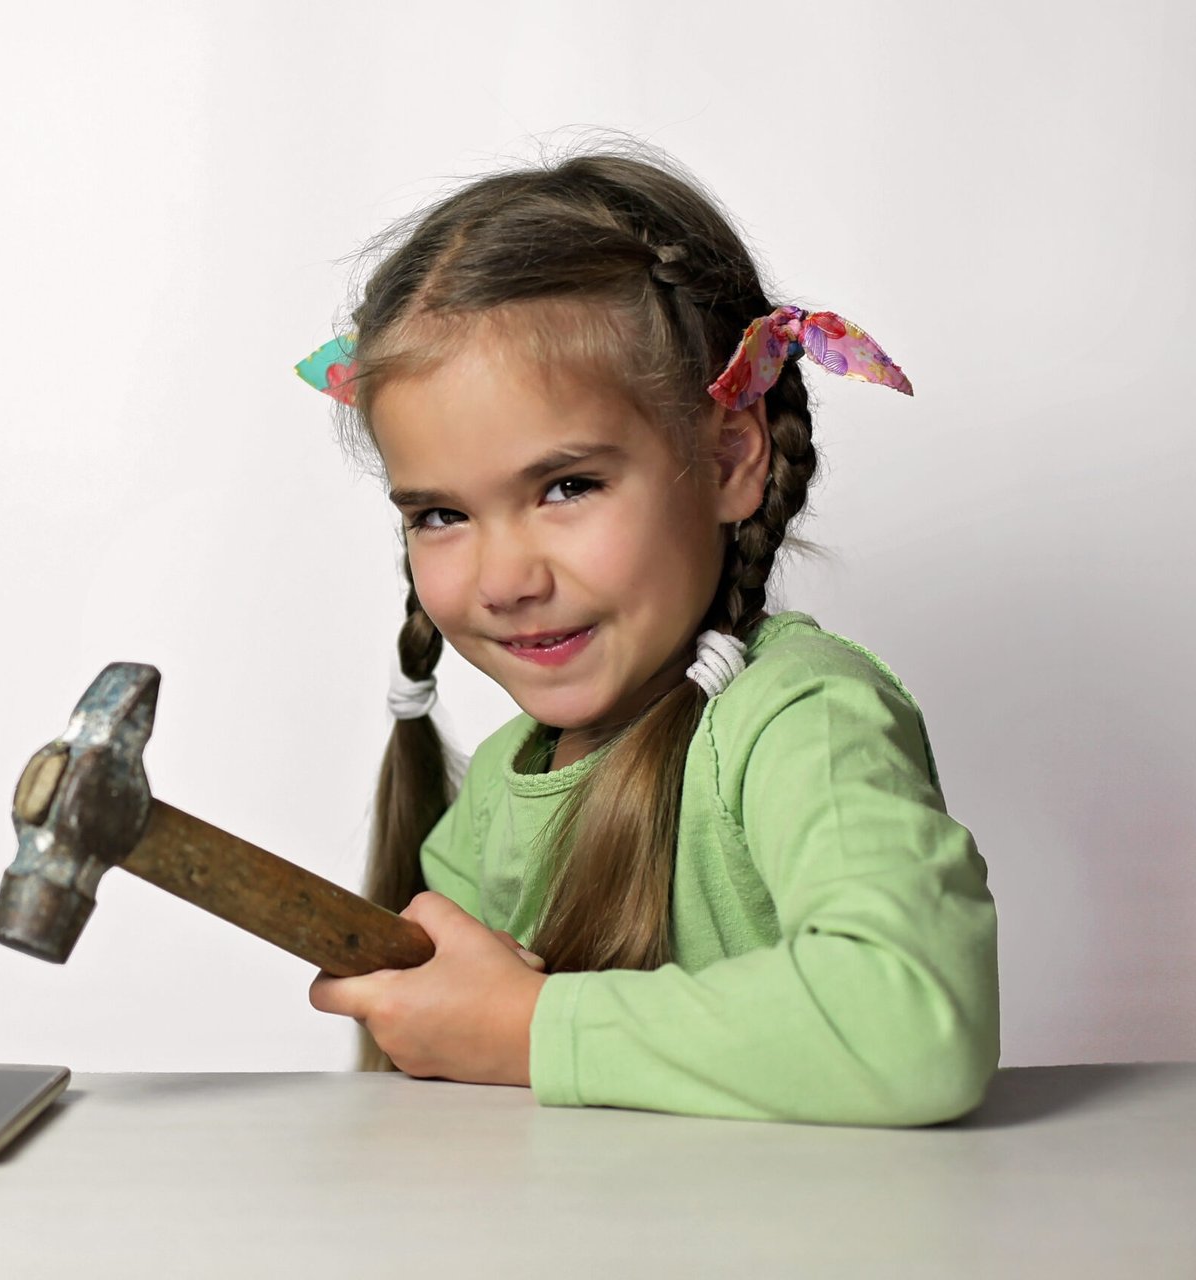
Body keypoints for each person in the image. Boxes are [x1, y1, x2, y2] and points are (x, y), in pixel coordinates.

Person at [295, 143, 999, 1127]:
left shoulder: (799, 722)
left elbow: (914, 1028)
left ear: (729, 461)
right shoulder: (497, 798)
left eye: (568, 486)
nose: (505, 578)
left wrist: (533, 1025)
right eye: (441, 514)